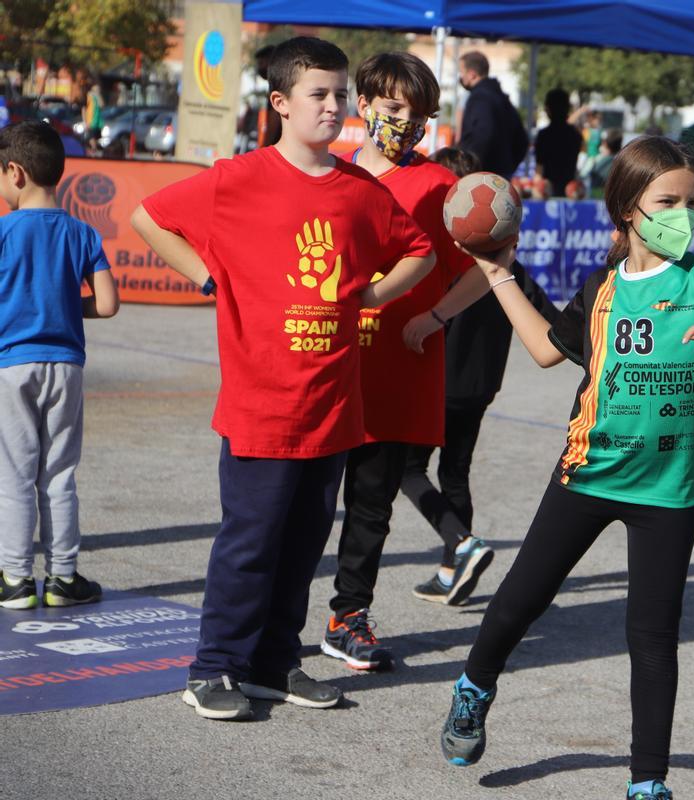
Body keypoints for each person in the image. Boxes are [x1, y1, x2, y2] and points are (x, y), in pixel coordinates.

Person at [437, 135, 694, 800]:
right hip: (590, 474)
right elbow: (548, 353)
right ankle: (474, 685)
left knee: (653, 638)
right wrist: (497, 273)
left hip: (668, 489)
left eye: (693, 203)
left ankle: (646, 783)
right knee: (521, 600)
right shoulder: (602, 291)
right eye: (669, 201)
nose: (684, 216)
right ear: (629, 207)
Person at [130, 36, 437, 722]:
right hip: (262, 406)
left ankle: (274, 664)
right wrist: (206, 275)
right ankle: (213, 668)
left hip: (333, 407)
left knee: (302, 547)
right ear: (280, 104)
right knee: (249, 545)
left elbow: (417, 250)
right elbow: (148, 217)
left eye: (338, 95)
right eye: (318, 95)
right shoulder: (239, 178)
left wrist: (376, 298)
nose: (333, 107)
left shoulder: (362, 190)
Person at [320, 52, 495, 672]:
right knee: (303, 506)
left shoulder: (441, 188)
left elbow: (489, 269)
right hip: (328, 367)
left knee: (372, 504)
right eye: (394, 108)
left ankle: (349, 617)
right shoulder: (330, 177)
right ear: (362, 105)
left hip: (399, 369)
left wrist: (436, 316)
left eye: (419, 114)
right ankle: (271, 618)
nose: (406, 123)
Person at [398, 146, 559, 608]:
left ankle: (462, 543)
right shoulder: (507, 266)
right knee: (455, 472)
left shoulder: (443, 262)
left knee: (408, 470)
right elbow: (551, 322)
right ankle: (452, 570)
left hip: (439, 385)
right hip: (480, 388)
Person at [0, 121, 119, 611]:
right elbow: (108, 304)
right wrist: (71, 308)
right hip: (66, 366)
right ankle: (63, 577)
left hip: (12, 367)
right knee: (59, 473)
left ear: (16, 173)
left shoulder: (4, 232)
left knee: (14, 473)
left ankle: (15, 580)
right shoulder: (83, 232)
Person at [456, 51, 528, 178]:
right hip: (500, 175)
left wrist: (468, 168)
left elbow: (481, 136)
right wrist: (507, 167)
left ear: (472, 74)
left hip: (482, 178)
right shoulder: (501, 98)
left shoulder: (480, 98)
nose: (460, 77)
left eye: (462, 72)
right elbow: (522, 140)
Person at [534, 88, 584, 198]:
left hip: (547, 190)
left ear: (548, 109)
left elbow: (539, 170)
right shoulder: (575, 135)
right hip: (571, 189)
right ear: (567, 109)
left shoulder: (544, 135)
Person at [254, 45, 282, 148]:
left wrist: (264, 147)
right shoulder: (277, 86)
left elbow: (273, 122)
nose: (259, 68)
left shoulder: (277, 88)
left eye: (261, 63)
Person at [585, 127, 624, 199]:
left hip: (597, 201)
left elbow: (586, 177)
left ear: (605, 143)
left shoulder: (597, 161)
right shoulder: (622, 163)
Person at [84, 78, 103, 150]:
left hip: (97, 121)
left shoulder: (97, 96)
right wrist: (85, 121)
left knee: (95, 138)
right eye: (97, 87)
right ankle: (93, 150)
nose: (98, 88)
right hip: (90, 121)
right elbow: (84, 108)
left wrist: (98, 95)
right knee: (91, 138)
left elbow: (102, 105)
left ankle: (93, 150)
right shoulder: (89, 95)